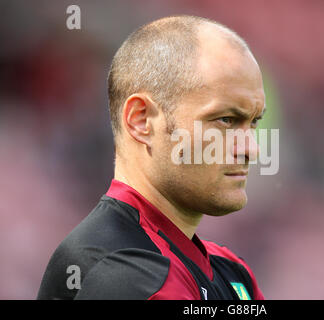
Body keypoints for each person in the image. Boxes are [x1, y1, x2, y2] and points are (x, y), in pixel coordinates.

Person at [37, 15, 266, 300]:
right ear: (141, 120)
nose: (251, 149)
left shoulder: (232, 272)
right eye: (226, 120)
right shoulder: (125, 273)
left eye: (254, 122)